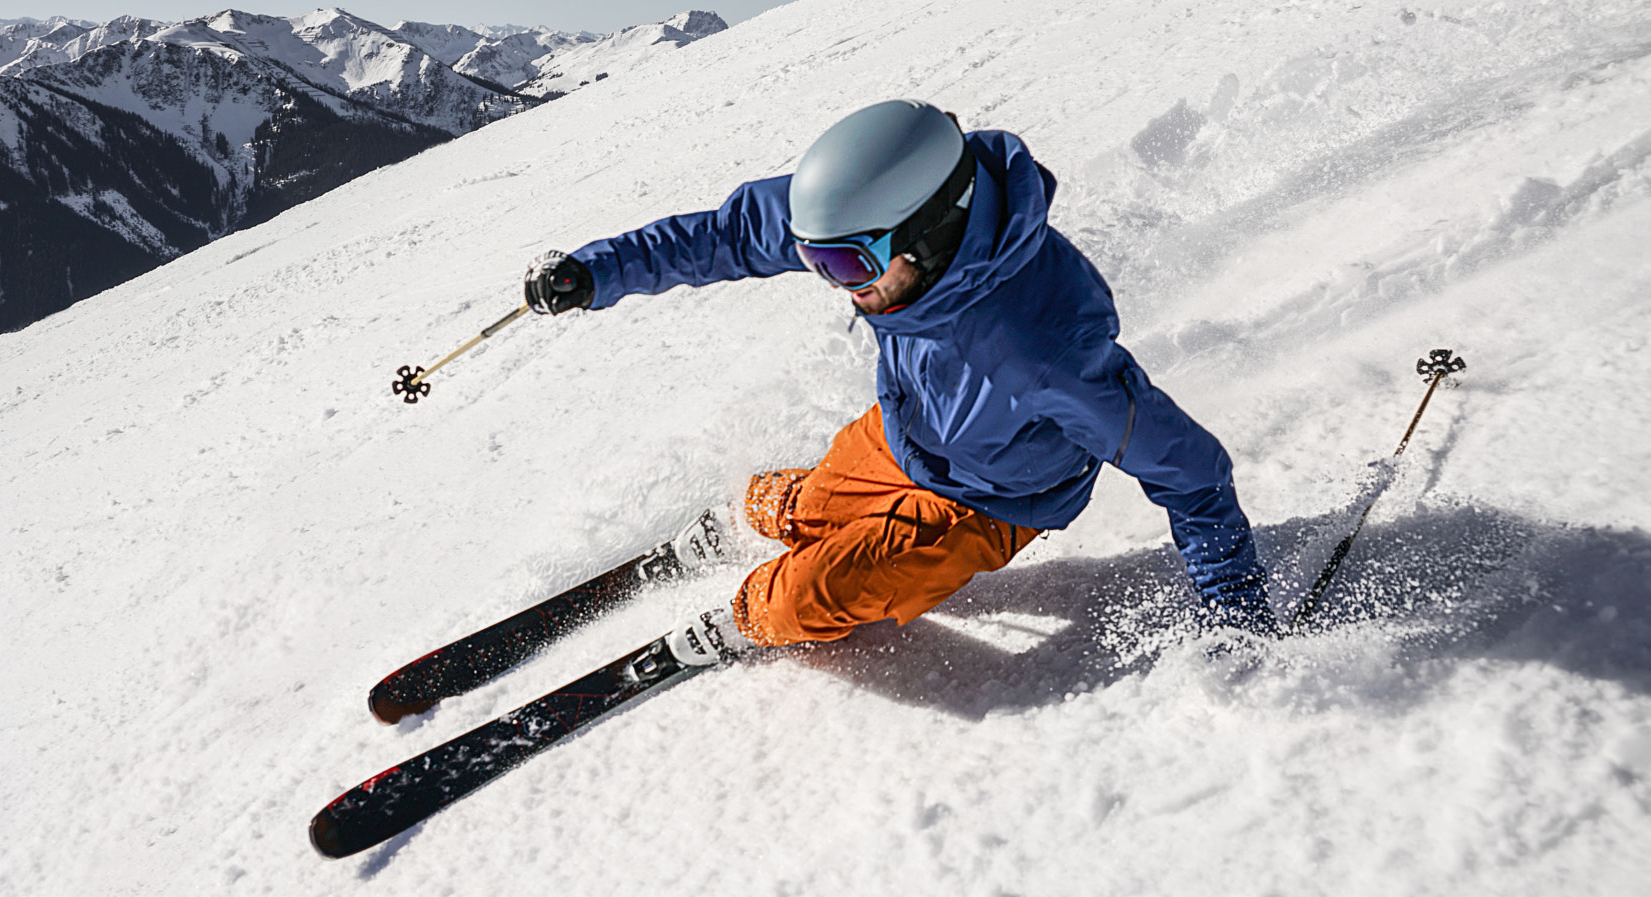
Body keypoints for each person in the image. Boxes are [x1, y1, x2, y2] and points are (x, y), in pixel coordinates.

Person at [521, 100, 1273, 668]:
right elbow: (731, 236)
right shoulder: (873, 223)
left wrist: (1237, 610)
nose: (835, 286)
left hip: (988, 501)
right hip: (904, 435)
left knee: (804, 596)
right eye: (816, 263)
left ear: (930, 236)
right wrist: (597, 271)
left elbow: (1191, 471)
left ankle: (750, 615)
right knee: (811, 505)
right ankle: (755, 516)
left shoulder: (1039, 348)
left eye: (846, 268)